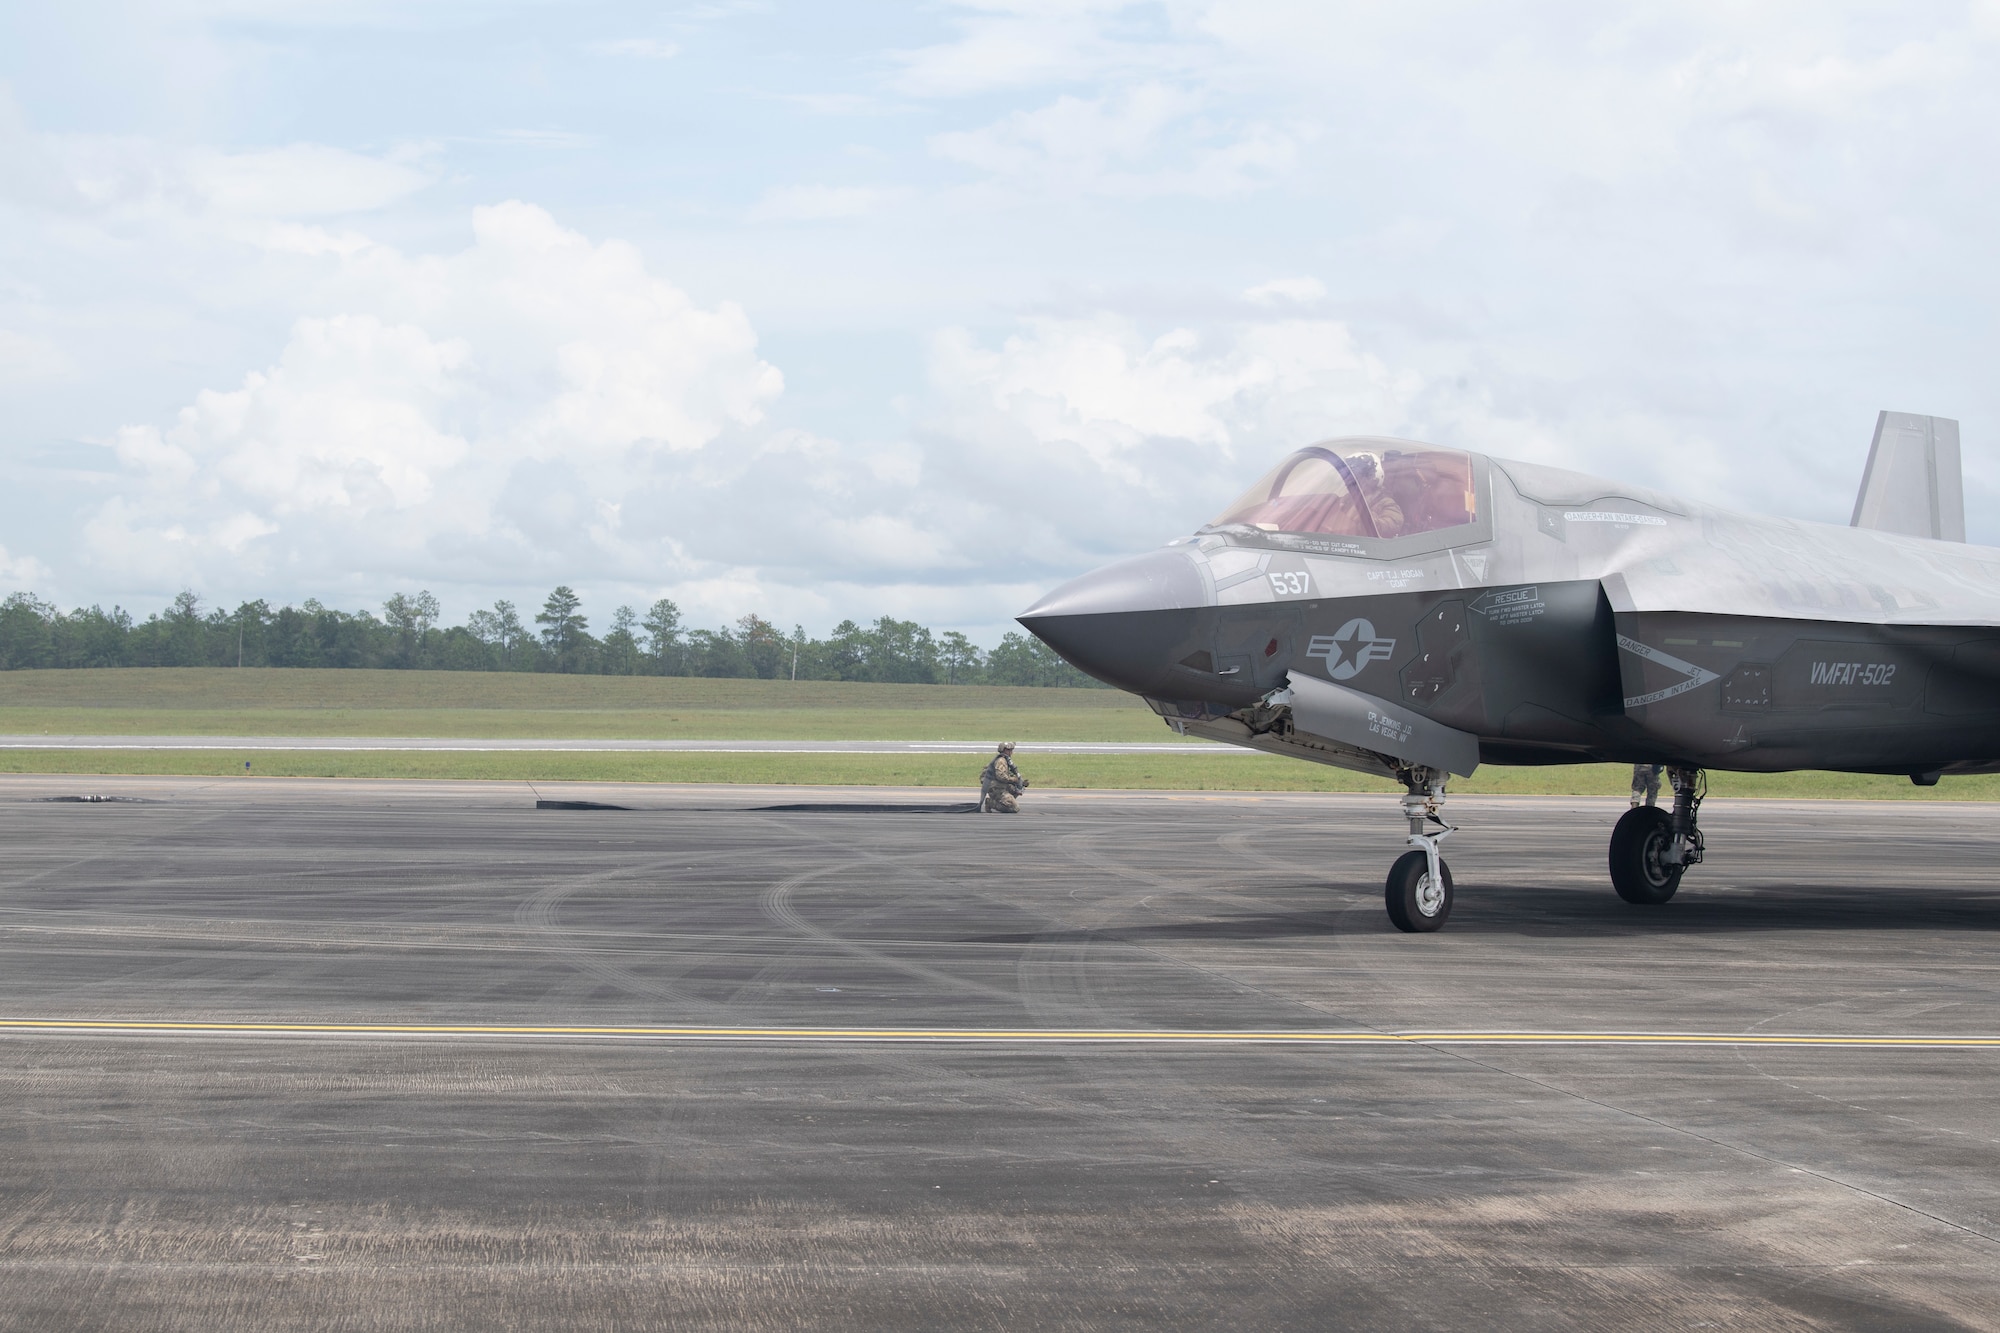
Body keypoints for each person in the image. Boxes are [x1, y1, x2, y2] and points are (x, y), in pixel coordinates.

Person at [980, 742, 1028, 813]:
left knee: (1016, 789)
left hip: (1001, 786)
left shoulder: (1005, 760)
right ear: (1003, 750)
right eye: (1008, 750)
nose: (1011, 752)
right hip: (996, 788)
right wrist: (1014, 780)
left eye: (1011, 750)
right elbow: (1001, 777)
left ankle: (1005, 802)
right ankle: (991, 803)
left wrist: (1021, 782)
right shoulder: (1001, 761)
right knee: (1015, 808)